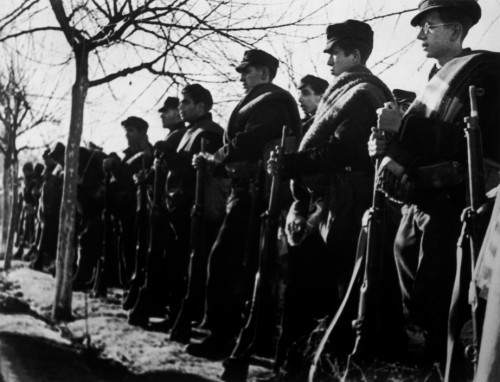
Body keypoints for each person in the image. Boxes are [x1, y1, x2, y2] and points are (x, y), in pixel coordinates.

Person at [369, 0, 500, 370]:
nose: (420, 34)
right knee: (411, 267)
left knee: (441, 285)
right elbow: (420, 143)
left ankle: (443, 365)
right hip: (421, 196)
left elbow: (476, 143)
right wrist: (386, 145)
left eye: (430, 26)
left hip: (457, 198)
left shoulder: (488, 71)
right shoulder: (434, 79)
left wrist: (403, 128)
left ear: (456, 31)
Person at [266, 20, 394, 381]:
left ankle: (304, 368)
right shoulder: (348, 89)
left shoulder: (363, 91)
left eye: (335, 54)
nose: (329, 63)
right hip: (331, 203)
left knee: (318, 291)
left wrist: (293, 164)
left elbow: (341, 149)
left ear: (354, 54)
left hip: (344, 207)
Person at [187, 49, 301, 359]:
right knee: (240, 265)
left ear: (264, 73)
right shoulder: (262, 99)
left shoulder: (272, 101)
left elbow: (250, 141)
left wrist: (217, 158)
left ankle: (225, 337)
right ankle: (238, 336)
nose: (241, 77)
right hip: (248, 190)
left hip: (257, 193)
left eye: (247, 71)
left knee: (228, 262)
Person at [129, 84, 224, 328]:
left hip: (195, 209)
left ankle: (183, 316)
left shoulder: (209, 132)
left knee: (189, 263)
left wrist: (170, 156)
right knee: (176, 262)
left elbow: (198, 171)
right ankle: (174, 314)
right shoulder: (191, 131)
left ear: (202, 106)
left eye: (186, 102)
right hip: (178, 207)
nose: (180, 107)